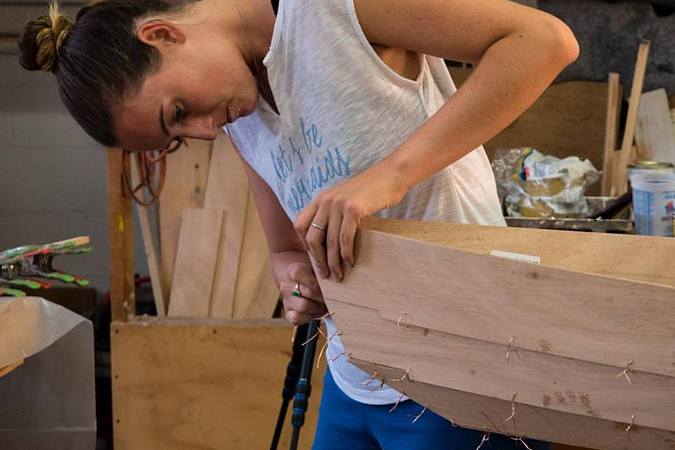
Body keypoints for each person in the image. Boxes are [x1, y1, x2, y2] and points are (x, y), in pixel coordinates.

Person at [19, 0, 578, 448]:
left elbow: (543, 42)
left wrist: (390, 175)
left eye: (179, 111)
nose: (204, 132)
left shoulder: (331, 11)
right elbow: (285, 239)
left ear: (162, 34)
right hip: (355, 375)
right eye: (179, 133)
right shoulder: (235, 106)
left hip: (462, 370)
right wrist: (291, 273)